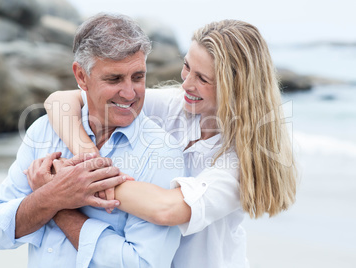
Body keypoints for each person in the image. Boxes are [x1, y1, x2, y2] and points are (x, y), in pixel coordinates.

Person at [42, 19, 298, 267]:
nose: (186, 83)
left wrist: (76, 182)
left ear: (235, 87)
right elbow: (60, 101)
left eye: (202, 79)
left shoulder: (242, 159)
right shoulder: (177, 106)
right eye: (187, 67)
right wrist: (89, 160)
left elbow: (166, 209)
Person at [0, 13, 184, 268]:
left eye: (138, 77)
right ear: (81, 76)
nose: (129, 92)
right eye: (114, 79)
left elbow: (143, 264)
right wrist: (52, 197)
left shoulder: (162, 152)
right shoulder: (43, 131)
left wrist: (56, 201)